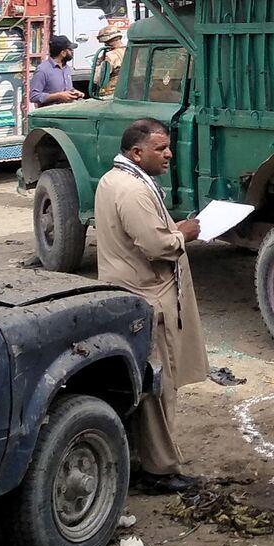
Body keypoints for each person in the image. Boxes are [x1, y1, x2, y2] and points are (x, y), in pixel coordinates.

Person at [94, 119, 208, 494]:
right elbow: (157, 247)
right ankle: (159, 470)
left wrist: (168, 230)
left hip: (134, 295)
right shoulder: (131, 189)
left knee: (147, 386)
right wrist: (184, 233)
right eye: (161, 148)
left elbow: (140, 235)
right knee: (159, 388)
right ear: (136, 152)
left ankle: (144, 462)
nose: (169, 154)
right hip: (147, 299)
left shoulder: (116, 180)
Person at [28, 35, 84, 107]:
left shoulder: (66, 68)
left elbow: (66, 89)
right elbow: (34, 96)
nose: (72, 52)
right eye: (70, 50)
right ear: (63, 53)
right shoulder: (43, 70)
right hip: (49, 115)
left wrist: (74, 92)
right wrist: (58, 96)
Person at [91, 27, 128, 98]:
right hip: (126, 92)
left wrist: (98, 64)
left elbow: (97, 79)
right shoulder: (129, 51)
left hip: (110, 94)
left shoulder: (110, 56)